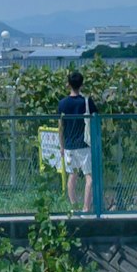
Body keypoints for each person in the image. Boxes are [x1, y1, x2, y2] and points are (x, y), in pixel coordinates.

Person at [49, 71, 96, 210]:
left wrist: (62, 146)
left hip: (69, 145)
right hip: (84, 145)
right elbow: (96, 119)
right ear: (82, 84)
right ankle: (86, 208)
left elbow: (60, 126)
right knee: (89, 177)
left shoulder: (62, 103)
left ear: (68, 84)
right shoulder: (86, 102)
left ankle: (74, 206)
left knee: (72, 176)